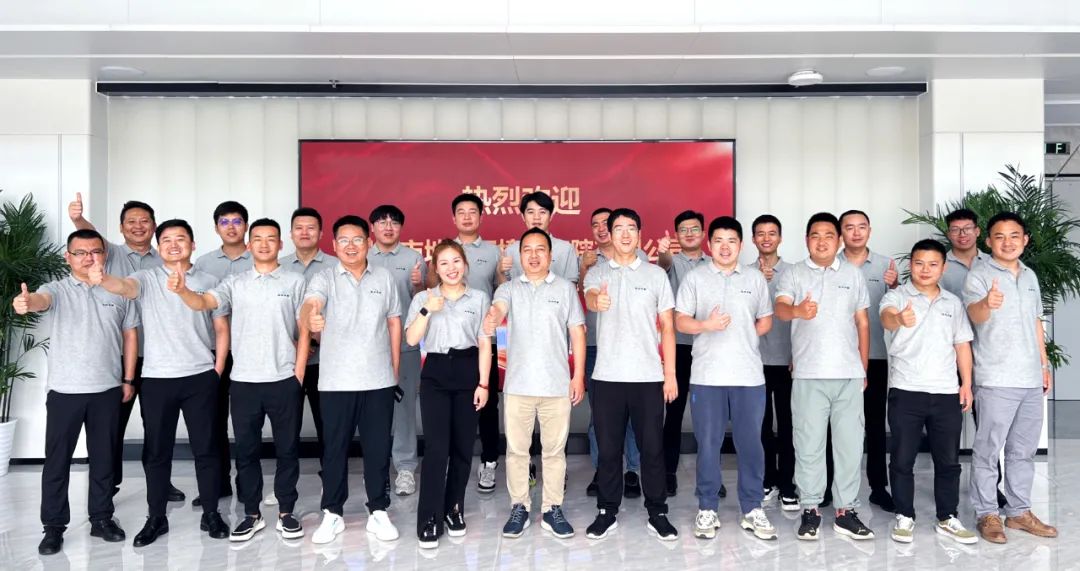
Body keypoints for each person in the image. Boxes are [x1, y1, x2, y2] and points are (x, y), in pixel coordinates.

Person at [94, 219, 231, 546]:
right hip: (157, 379)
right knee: (157, 452)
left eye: (180, 239)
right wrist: (103, 278)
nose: (173, 244)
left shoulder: (210, 281)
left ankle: (211, 512)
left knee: (207, 449)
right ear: (159, 247)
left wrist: (217, 370)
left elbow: (222, 329)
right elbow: (124, 287)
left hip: (200, 376)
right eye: (166, 240)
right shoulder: (147, 278)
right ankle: (156, 517)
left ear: (192, 245)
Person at [171, 218, 309, 541]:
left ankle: (287, 512)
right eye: (257, 239)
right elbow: (204, 303)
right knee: (246, 452)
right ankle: (251, 514)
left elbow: (304, 330)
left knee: (288, 449)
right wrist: (183, 291)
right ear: (249, 245)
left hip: (284, 379)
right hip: (244, 381)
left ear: (280, 244)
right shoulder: (235, 282)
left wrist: (299, 374)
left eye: (271, 239)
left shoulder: (295, 281)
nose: (264, 244)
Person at [15, 229, 138, 555]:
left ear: (104, 255)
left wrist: (128, 379)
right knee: (57, 462)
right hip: (65, 391)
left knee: (104, 459)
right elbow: (40, 301)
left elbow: (130, 336)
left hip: (107, 389)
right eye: (80, 252)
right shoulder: (56, 289)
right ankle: (53, 527)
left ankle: (102, 519)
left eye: (95, 251)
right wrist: (26, 302)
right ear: (68, 257)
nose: (88, 258)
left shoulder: (119, 290)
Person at [67, 195, 184, 501]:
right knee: (112, 426)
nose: (138, 226)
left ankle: (160, 482)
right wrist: (78, 220)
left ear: (154, 226)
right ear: (121, 228)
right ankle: (109, 485)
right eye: (131, 221)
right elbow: (91, 237)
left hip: (160, 355)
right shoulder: (111, 253)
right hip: (119, 356)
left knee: (157, 426)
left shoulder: (166, 259)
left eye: (144, 221)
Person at [299, 215, 404, 544]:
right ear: (333, 245)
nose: (350, 246)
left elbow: (394, 323)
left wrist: (394, 370)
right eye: (343, 240)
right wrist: (312, 316)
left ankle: (378, 511)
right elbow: (311, 304)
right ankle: (332, 513)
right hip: (336, 382)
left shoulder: (384, 277)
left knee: (377, 448)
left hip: (378, 380)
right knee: (334, 450)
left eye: (357, 239)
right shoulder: (324, 277)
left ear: (368, 242)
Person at [675, 216, 776, 541]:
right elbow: (680, 321)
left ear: (741, 245)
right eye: (718, 240)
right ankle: (707, 507)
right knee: (708, 444)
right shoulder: (695, 278)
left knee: (751, 444)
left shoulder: (755, 279)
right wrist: (706, 325)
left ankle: (752, 508)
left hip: (748, 377)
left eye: (731, 241)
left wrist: (743, 335)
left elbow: (766, 320)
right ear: (710, 244)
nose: (725, 247)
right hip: (707, 377)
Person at [774, 212, 874, 541]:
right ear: (807, 240)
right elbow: (781, 309)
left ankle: (845, 511)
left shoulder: (852, 274)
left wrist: (862, 368)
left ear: (838, 240)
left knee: (849, 446)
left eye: (829, 235)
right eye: (815, 235)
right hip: (809, 374)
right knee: (808, 445)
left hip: (848, 375)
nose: (822, 241)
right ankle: (810, 509)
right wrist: (798, 311)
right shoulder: (793, 273)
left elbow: (862, 322)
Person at [583, 208, 679, 541]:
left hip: (648, 376)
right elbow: (590, 297)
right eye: (619, 229)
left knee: (652, 448)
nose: (625, 234)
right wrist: (597, 301)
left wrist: (670, 374)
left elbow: (668, 326)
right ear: (609, 235)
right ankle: (607, 510)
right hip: (607, 376)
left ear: (639, 234)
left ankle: (658, 511)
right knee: (609, 449)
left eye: (631, 228)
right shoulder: (598, 273)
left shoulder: (655, 276)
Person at [484, 228, 586, 539]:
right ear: (519, 256)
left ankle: (552, 509)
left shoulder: (565, 289)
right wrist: (493, 315)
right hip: (518, 386)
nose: (533, 255)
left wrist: (578, 376)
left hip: (556, 385)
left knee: (554, 452)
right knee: (517, 452)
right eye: (527, 249)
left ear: (550, 255)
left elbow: (577, 332)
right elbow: (498, 308)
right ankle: (520, 506)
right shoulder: (509, 289)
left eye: (540, 249)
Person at [964, 211, 1058, 544]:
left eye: (1014, 235)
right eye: (1000, 236)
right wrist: (987, 303)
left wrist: (1044, 365)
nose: (1008, 242)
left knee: (1023, 450)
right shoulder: (979, 274)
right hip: (996, 378)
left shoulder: (1030, 275)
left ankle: (1018, 512)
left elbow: (1036, 322)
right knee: (988, 451)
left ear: (1025, 240)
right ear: (988, 241)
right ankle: (987, 514)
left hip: (1030, 377)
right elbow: (974, 315)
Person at [880, 239, 978, 545]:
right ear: (910, 265)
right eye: (919, 263)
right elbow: (886, 317)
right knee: (902, 459)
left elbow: (962, 344)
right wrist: (899, 318)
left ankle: (947, 517)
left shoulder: (953, 303)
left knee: (948, 461)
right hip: (906, 390)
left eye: (933, 264)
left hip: (946, 392)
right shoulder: (896, 297)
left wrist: (966, 383)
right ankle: (904, 515)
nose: (925, 270)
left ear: (943, 268)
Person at [405, 240, 492, 549]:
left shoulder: (479, 298)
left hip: (469, 371)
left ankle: (454, 508)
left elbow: (485, 342)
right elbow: (412, 339)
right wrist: (428, 309)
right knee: (437, 449)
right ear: (435, 268)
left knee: (463, 448)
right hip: (436, 374)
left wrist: (484, 384)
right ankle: (429, 517)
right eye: (444, 263)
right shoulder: (423, 298)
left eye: (456, 261)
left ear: (465, 264)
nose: (451, 268)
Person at [443, 193, 509, 495]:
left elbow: (502, 293)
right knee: (453, 402)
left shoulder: (494, 252)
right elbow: (432, 289)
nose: (467, 217)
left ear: (481, 217)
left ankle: (489, 461)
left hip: (484, 341)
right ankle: (452, 460)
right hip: (451, 342)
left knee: (488, 403)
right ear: (454, 217)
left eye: (473, 212)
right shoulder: (445, 249)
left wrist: (503, 274)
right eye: (461, 212)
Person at [191, 200, 254, 506]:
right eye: (225, 222)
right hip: (213, 352)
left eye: (237, 221)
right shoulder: (202, 264)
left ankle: (247, 484)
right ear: (216, 228)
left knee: (245, 422)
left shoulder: (260, 259)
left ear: (246, 226)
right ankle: (217, 484)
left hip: (249, 351)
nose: (231, 227)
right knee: (212, 421)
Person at [579, 208, 645, 498]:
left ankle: (632, 470)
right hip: (596, 346)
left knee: (631, 414)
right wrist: (585, 269)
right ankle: (603, 469)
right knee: (600, 415)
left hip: (631, 346)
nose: (602, 228)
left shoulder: (639, 259)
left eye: (608, 224)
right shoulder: (589, 262)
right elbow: (583, 296)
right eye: (595, 225)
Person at [366, 204, 427, 498]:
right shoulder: (362, 257)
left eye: (394, 222)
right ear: (372, 227)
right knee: (372, 410)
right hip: (368, 348)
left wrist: (419, 285)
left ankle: (405, 468)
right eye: (382, 222)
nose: (388, 227)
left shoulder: (414, 258)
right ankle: (377, 469)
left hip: (405, 347)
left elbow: (422, 303)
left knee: (404, 410)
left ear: (401, 227)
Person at [838, 209, 897, 512]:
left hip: (874, 356)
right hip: (836, 359)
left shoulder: (886, 265)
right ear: (841, 233)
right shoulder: (830, 264)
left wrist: (895, 285)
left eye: (862, 227)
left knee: (874, 425)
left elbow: (899, 306)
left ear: (870, 231)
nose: (856, 232)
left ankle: (878, 487)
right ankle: (830, 486)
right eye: (849, 227)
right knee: (835, 426)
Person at [279, 207, 338, 502]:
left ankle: (331, 480)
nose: (304, 232)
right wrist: (294, 341)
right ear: (290, 233)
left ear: (321, 233)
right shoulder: (277, 267)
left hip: (326, 362)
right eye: (299, 228)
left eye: (311, 227)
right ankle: (283, 487)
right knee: (285, 427)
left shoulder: (336, 267)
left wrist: (315, 338)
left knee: (329, 426)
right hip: (285, 362)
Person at [657, 210, 710, 497]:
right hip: (678, 347)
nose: (689, 234)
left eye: (694, 229)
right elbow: (663, 263)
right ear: (676, 235)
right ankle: (668, 474)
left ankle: (710, 476)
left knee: (708, 417)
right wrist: (663, 253)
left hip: (709, 347)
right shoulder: (671, 263)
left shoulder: (715, 263)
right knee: (674, 414)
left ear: (703, 233)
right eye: (683, 230)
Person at [751, 214, 799, 511]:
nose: (766, 238)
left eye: (772, 233)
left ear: (780, 238)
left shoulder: (795, 272)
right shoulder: (743, 273)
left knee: (789, 424)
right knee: (761, 425)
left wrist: (799, 354)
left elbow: (802, 317)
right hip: (754, 361)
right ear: (753, 239)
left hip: (788, 360)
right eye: (761, 233)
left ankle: (787, 483)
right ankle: (767, 479)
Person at [941, 208, 987, 298]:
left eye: (968, 228)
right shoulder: (938, 265)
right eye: (955, 230)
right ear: (948, 234)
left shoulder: (992, 262)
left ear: (977, 231)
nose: (962, 234)